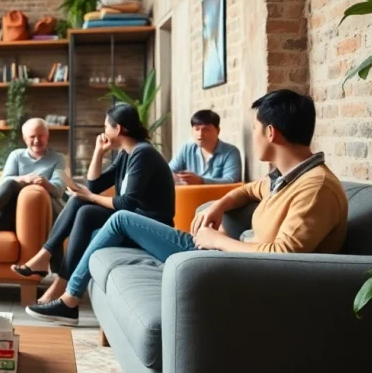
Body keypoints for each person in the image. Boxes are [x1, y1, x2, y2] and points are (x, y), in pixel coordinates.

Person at [25, 90, 349, 324]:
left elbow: (284, 257)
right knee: (108, 216)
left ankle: (68, 296)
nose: (252, 137)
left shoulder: (315, 188)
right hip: (218, 253)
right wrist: (219, 204)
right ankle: (67, 294)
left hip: (229, 267)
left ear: (270, 132)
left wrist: (218, 240)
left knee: (119, 215)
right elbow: (250, 188)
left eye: (254, 129)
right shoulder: (287, 177)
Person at [12, 104, 175, 305]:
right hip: (133, 218)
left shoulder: (143, 154)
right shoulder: (126, 154)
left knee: (86, 207)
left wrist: (89, 196)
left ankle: (55, 276)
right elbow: (94, 185)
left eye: (106, 126)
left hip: (149, 227)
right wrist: (98, 152)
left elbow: (125, 203)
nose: (104, 131)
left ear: (118, 129)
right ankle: (50, 264)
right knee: (81, 203)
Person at [170, 109, 242, 185]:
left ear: (218, 131)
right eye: (197, 129)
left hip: (219, 196)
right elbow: (168, 172)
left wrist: (201, 181)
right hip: (189, 195)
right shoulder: (186, 149)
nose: (200, 134)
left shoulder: (231, 152)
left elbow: (231, 180)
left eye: (206, 130)